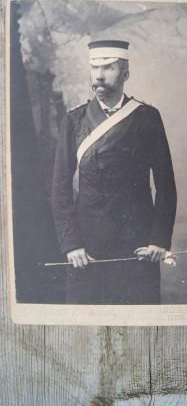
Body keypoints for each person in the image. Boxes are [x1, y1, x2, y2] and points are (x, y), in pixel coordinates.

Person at [51, 39, 177, 304]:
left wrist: (159, 240)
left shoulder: (147, 117)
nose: (98, 75)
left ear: (126, 74)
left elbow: (166, 185)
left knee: (140, 325)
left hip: (137, 245)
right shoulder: (74, 120)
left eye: (108, 67)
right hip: (87, 248)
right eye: (94, 67)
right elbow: (60, 188)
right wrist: (71, 244)